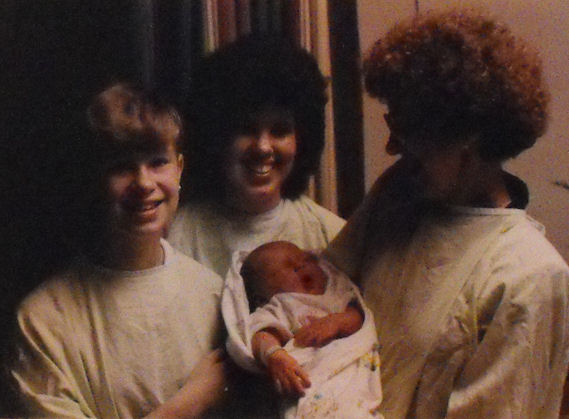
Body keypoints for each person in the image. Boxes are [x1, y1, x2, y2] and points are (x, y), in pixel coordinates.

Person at [324, 9, 569, 418]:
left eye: (408, 131)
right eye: (392, 123)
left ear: (468, 133)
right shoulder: (397, 194)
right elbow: (324, 294)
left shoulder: (529, 275)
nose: (391, 147)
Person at [8, 84, 232, 418]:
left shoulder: (213, 294)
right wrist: (189, 403)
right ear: (95, 178)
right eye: (122, 166)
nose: (143, 183)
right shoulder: (42, 321)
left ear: (179, 169)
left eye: (158, 162)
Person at [168, 36, 345, 279]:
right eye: (247, 130)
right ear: (218, 136)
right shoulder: (176, 237)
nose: (263, 148)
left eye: (279, 131)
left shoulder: (332, 237)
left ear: (302, 140)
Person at [222, 241, 382, 418]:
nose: (302, 266)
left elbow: (358, 318)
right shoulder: (281, 305)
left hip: (350, 378)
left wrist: (337, 323)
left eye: (306, 260)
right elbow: (261, 335)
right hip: (309, 384)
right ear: (262, 296)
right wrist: (274, 355)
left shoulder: (336, 292)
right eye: (289, 266)